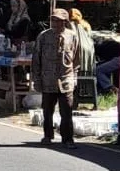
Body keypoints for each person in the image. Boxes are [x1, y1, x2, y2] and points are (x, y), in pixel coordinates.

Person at [32, 9, 79, 148]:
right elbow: (36, 59)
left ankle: (68, 139)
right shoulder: (44, 36)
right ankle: (47, 135)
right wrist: (37, 79)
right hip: (48, 79)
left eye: (59, 20)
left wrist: (74, 77)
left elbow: (76, 59)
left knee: (67, 111)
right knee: (47, 110)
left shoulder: (72, 36)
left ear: (65, 22)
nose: (55, 23)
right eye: (53, 20)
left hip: (66, 79)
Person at [71, 8, 96, 92]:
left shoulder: (71, 24)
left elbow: (72, 37)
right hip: (89, 49)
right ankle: (87, 90)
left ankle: (78, 90)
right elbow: (91, 36)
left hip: (79, 48)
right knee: (87, 69)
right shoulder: (86, 24)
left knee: (77, 69)